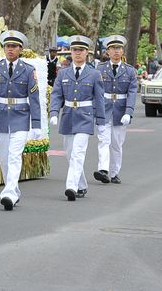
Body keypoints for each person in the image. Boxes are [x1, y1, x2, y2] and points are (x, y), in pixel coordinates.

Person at [49, 35, 106, 201]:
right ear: (71, 52)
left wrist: (100, 121)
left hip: (85, 116)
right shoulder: (63, 73)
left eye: (81, 50)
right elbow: (57, 94)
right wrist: (53, 113)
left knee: (78, 153)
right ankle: (81, 185)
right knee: (70, 153)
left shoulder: (94, 74)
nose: (77, 53)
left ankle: (71, 186)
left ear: (87, 52)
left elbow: (99, 98)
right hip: (68, 115)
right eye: (74, 50)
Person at [0, 30, 42, 211]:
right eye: (7, 46)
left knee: (14, 155)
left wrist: (36, 124)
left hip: (21, 116)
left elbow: (34, 98)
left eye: (14, 46)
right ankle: (13, 190)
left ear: (20, 49)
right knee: (4, 157)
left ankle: (8, 193)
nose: (10, 49)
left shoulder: (28, 70)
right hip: (0, 116)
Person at [94, 35, 137, 185]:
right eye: (113, 48)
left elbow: (132, 93)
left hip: (120, 110)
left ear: (123, 51)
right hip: (104, 108)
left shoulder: (130, 71)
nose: (116, 51)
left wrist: (128, 112)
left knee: (116, 144)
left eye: (118, 48)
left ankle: (114, 172)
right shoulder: (99, 69)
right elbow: (96, 91)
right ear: (108, 52)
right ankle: (103, 170)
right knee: (103, 140)